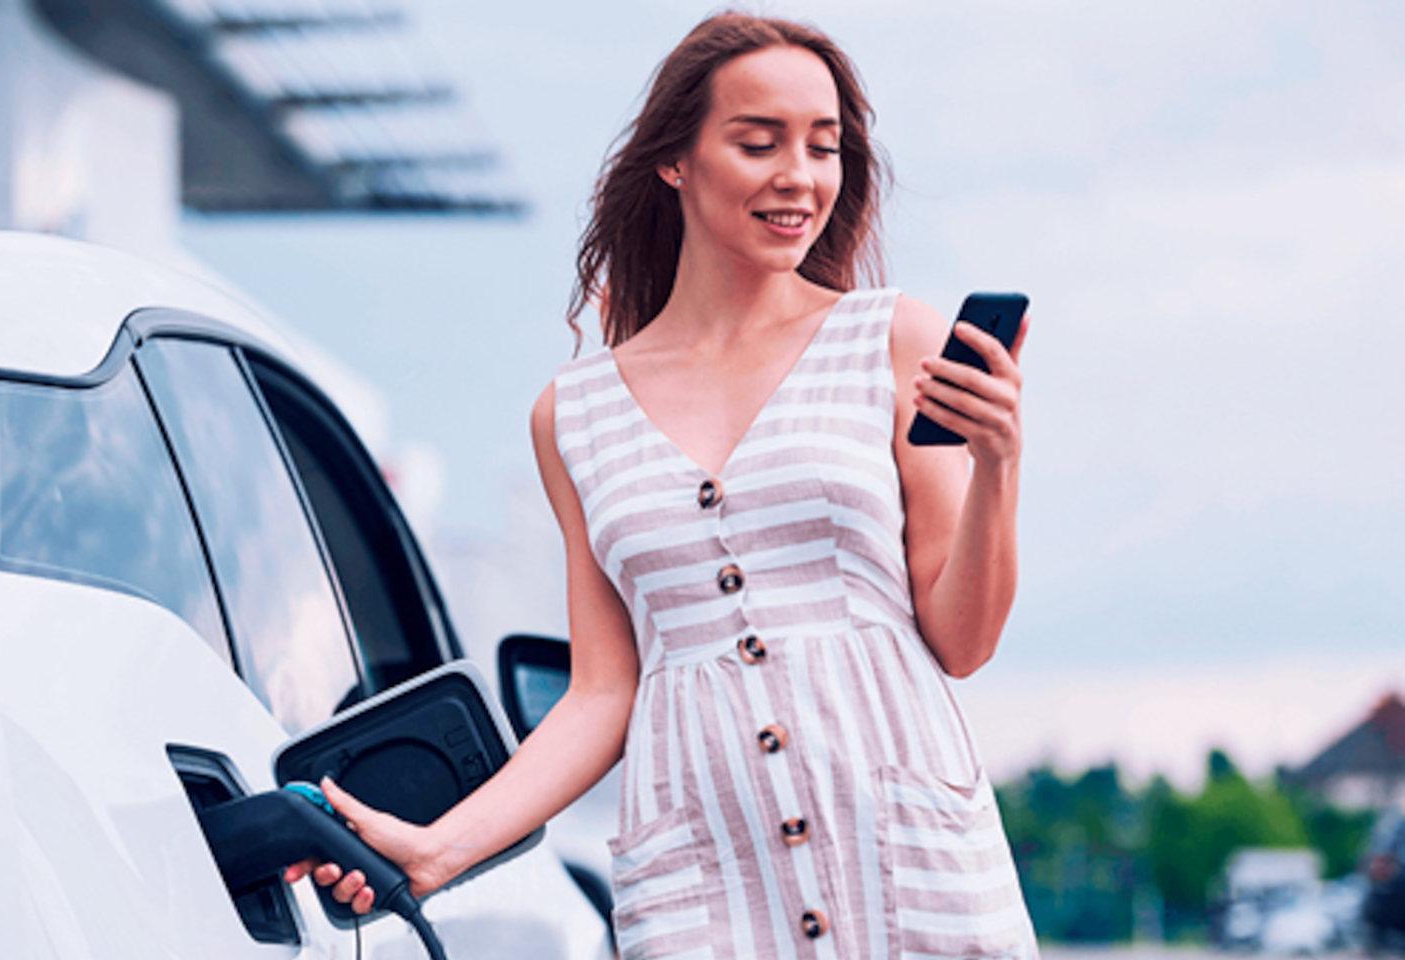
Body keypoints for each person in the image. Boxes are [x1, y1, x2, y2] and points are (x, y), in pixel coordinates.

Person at [286, 11, 1039, 958]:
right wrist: (438, 852)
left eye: (825, 146)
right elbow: (603, 693)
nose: (798, 176)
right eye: (758, 142)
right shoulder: (575, 415)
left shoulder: (893, 342)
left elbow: (962, 642)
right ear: (675, 160)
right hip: (702, 882)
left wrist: (998, 469)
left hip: (908, 860)